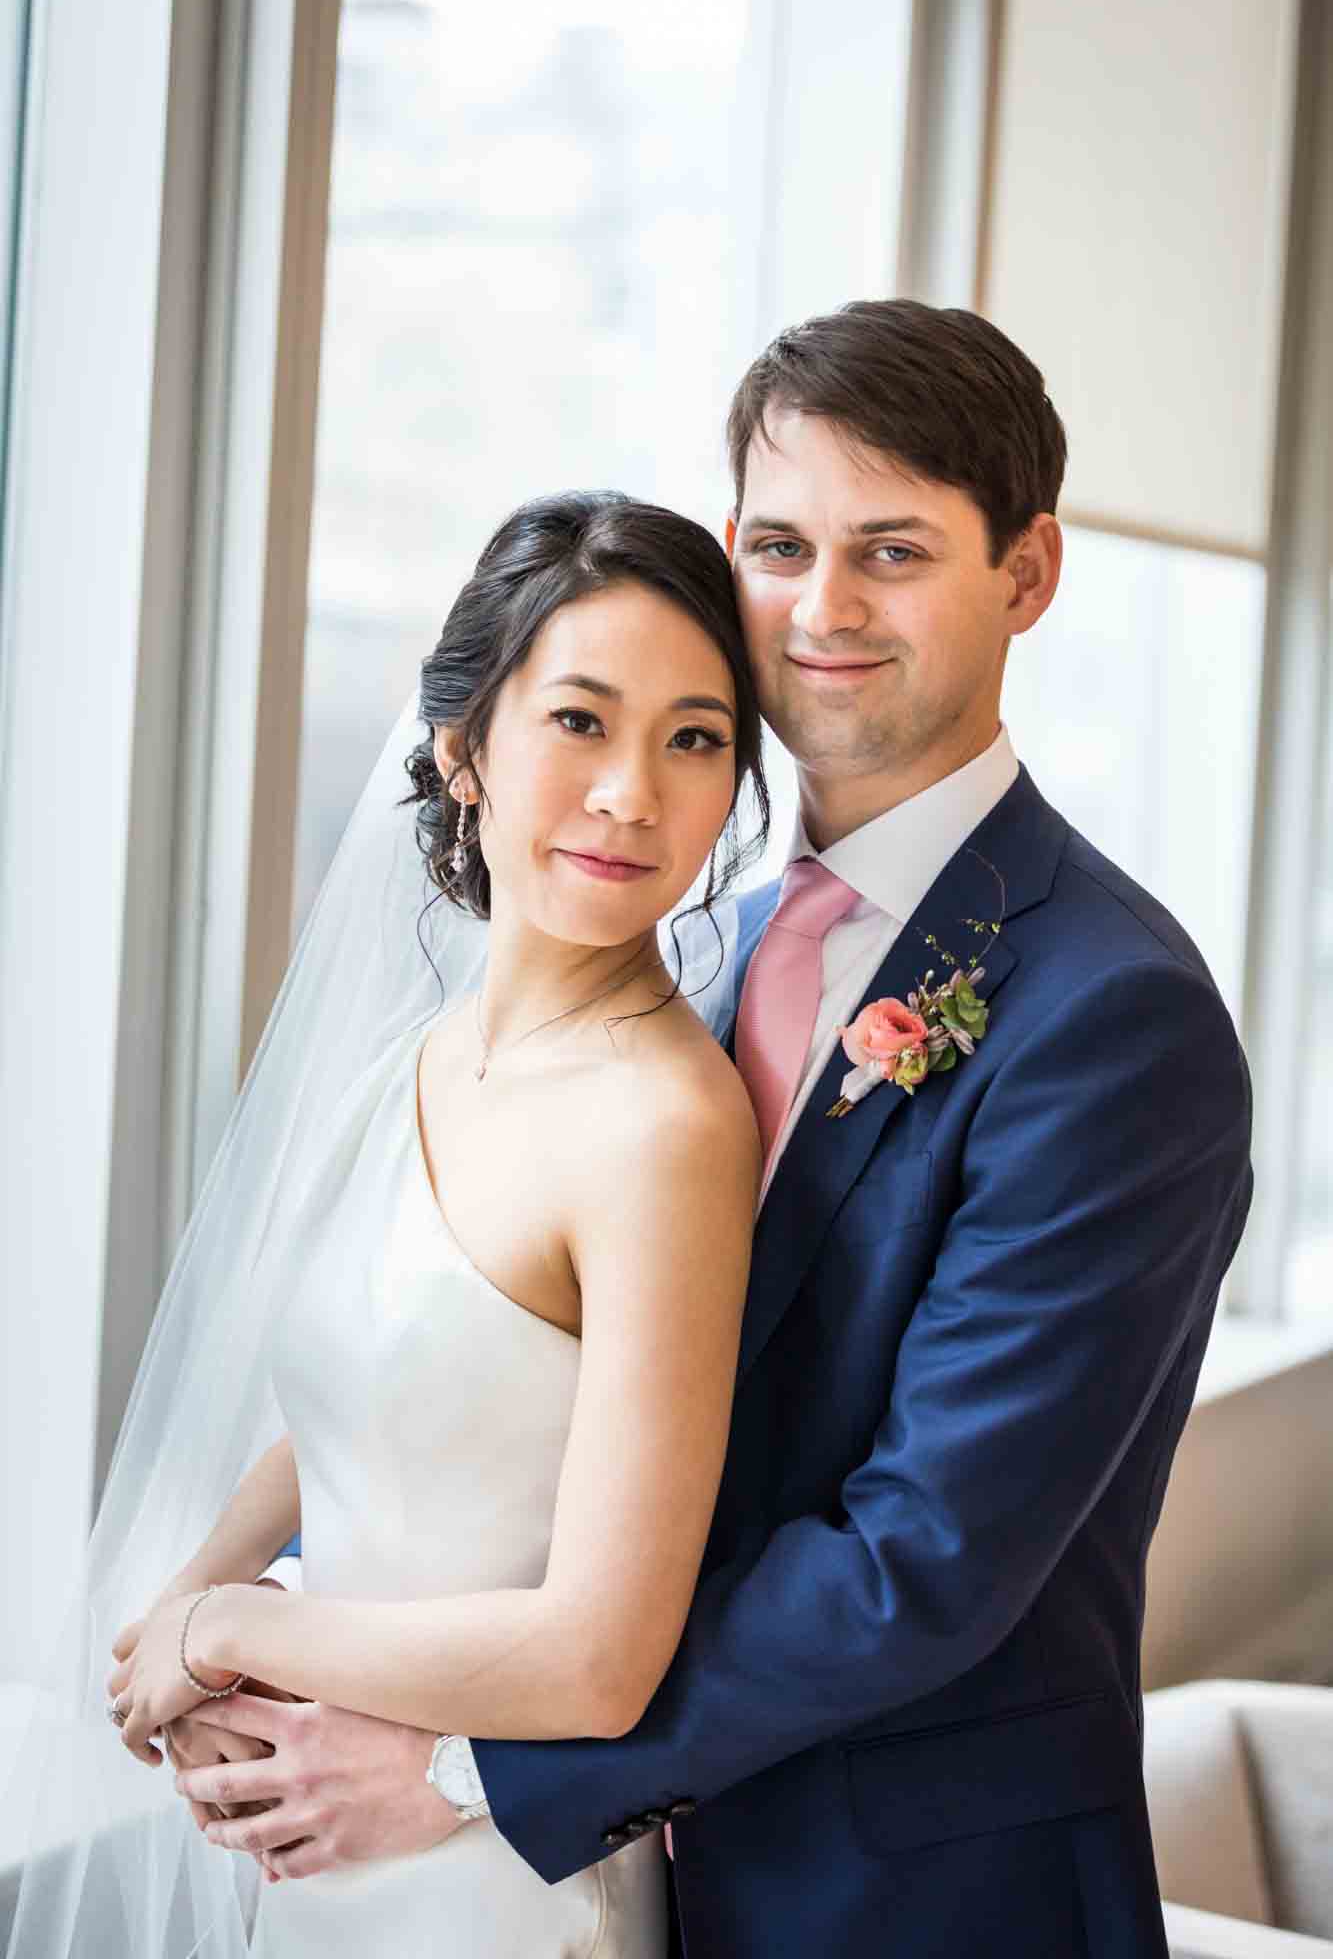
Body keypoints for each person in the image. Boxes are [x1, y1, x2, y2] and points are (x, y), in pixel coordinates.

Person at [166, 301, 1254, 1959]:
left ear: (1025, 574)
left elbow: (924, 1561)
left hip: (898, 1899)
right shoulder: (696, 939)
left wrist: (472, 1769)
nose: (819, 611)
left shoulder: (1110, 1012)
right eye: (775, 544)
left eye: (889, 552)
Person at [6, 493, 771, 1958]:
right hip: (315, 1841)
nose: (631, 793)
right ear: (462, 749)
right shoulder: (420, 1057)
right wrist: (184, 1595)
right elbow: (393, 1386)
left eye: (693, 738)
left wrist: (234, 1632)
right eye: (580, 722)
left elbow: (597, 1660)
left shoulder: (661, 1128)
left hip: (494, 1894)